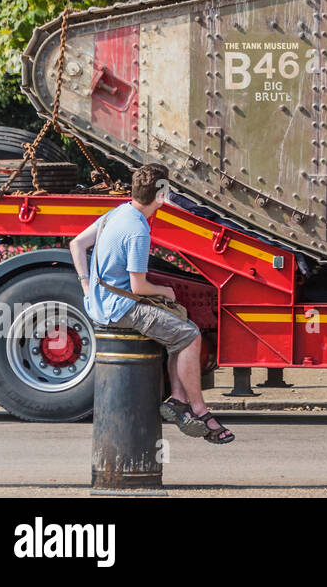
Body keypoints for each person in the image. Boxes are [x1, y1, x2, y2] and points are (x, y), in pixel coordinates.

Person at [69, 162, 234, 444]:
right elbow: (139, 287)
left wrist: (87, 284)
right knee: (191, 335)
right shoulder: (138, 230)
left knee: (178, 332)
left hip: (100, 301)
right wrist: (166, 291)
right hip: (120, 309)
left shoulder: (117, 213)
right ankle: (199, 410)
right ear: (161, 196)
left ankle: (178, 400)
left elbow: (77, 244)